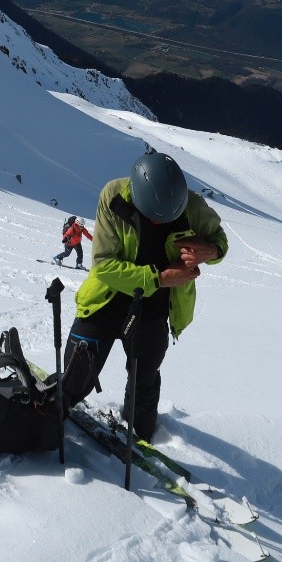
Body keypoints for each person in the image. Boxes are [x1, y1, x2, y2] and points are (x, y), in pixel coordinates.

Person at [59, 150, 227, 440]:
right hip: (106, 300)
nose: (159, 224)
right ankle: (49, 410)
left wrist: (211, 251)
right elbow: (104, 265)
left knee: (144, 380)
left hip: (154, 308)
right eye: (154, 217)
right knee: (76, 377)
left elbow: (219, 240)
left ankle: (140, 428)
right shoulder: (114, 196)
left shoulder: (194, 207)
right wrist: (160, 278)